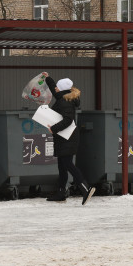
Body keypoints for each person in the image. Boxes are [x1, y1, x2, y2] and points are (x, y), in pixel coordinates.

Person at [44, 75, 96, 205]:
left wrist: (54, 129)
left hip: (68, 137)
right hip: (65, 136)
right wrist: (48, 78)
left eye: (57, 86)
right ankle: (61, 193)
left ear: (61, 89)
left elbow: (68, 120)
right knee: (62, 165)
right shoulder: (64, 97)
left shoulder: (64, 102)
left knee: (67, 164)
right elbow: (54, 89)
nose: (55, 88)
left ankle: (86, 188)